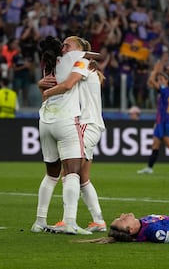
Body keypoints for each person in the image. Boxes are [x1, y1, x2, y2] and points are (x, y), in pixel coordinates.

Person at [33, 37, 107, 233]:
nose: (63, 48)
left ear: (80, 49)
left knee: (69, 173)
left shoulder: (81, 63)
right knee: (82, 177)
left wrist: (44, 90)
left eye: (68, 45)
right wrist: (41, 84)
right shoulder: (76, 64)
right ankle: (97, 220)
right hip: (88, 123)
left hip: (84, 123)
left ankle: (68, 221)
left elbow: (66, 85)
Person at [137, 61, 169, 175]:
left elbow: (150, 81)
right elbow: (150, 83)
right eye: (159, 79)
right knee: (156, 144)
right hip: (161, 121)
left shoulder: (165, 90)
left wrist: (155, 71)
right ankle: (150, 167)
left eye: (161, 79)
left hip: (164, 122)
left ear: (166, 81)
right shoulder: (165, 91)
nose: (159, 81)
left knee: (168, 144)